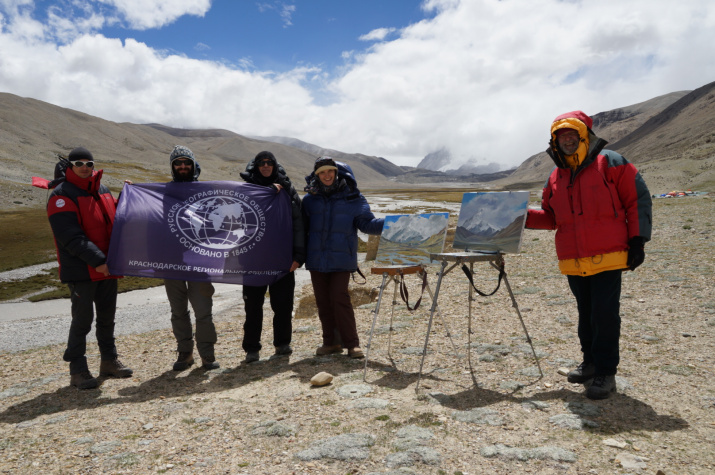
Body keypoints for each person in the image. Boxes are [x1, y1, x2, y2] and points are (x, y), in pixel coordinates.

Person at [526, 111, 652, 400]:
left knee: (605, 314)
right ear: (555, 142)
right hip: (573, 259)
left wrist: (638, 240)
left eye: (572, 136)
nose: (567, 141)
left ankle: (607, 372)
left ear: (584, 137)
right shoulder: (555, 175)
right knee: (585, 313)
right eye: (561, 137)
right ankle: (590, 363)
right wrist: (519, 216)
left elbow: (637, 199)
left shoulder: (611, 162)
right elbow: (551, 217)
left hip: (607, 256)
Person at [46, 147, 133, 389]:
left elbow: (116, 218)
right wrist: (99, 262)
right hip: (84, 270)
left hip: (107, 267)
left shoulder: (102, 191)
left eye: (89, 162)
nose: (85, 166)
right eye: (79, 162)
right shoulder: (61, 196)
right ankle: (78, 370)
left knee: (107, 318)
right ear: (70, 166)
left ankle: (108, 361)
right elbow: (71, 237)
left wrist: (129, 196)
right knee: (82, 321)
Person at [302, 157, 384, 358]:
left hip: (342, 259)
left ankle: (352, 344)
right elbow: (300, 228)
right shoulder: (309, 200)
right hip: (316, 259)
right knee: (322, 301)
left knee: (340, 298)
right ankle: (330, 342)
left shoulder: (353, 198)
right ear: (317, 175)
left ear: (337, 173)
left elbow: (367, 224)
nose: (327, 175)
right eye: (322, 172)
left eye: (330, 171)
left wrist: (393, 222)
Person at [238, 151, 305, 363]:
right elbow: (237, 221)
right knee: (253, 306)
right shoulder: (246, 191)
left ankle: (283, 344)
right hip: (253, 259)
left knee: (283, 304)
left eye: (269, 163)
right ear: (256, 166)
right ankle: (252, 348)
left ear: (274, 166)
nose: (265, 166)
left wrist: (298, 255)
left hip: (282, 258)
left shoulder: (287, 189)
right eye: (261, 163)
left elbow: (298, 223)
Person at [164, 145, 219, 371]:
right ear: (173, 167)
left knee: (203, 310)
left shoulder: (206, 191)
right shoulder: (164, 191)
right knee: (178, 311)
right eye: (178, 163)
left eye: (187, 162)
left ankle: (207, 354)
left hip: (200, 262)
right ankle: (185, 353)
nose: (183, 166)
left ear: (194, 165)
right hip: (170, 261)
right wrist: (132, 191)